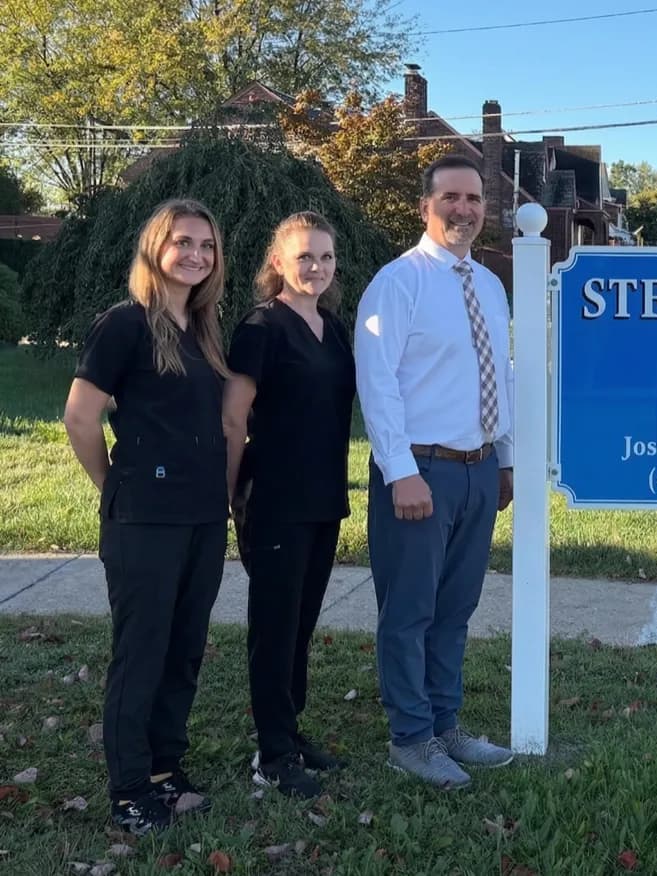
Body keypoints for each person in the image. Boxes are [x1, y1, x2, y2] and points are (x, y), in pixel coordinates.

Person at [62, 199, 230, 835]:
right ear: (155, 249)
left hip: (203, 516)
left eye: (206, 246)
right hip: (144, 520)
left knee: (184, 649)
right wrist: (114, 485)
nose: (195, 255)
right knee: (142, 652)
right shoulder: (124, 324)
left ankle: (165, 770)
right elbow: (80, 417)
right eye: (182, 242)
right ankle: (130, 788)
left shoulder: (203, 328)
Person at [355, 154, 516, 788]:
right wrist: (400, 471)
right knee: (410, 610)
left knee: (456, 608)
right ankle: (411, 737)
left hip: (477, 470)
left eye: (474, 198)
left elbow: (498, 376)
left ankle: (446, 724)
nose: (464, 209)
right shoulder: (398, 283)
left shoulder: (491, 286)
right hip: (420, 470)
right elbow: (378, 383)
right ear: (427, 206)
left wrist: (503, 459)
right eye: (451, 197)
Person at [222, 212, 355, 799]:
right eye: (305, 257)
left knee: (300, 626)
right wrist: (230, 494)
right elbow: (233, 417)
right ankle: (271, 754)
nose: (317, 268)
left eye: (325, 258)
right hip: (274, 499)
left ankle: (290, 732)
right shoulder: (260, 327)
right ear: (278, 261)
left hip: (324, 498)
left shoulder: (334, 326)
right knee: (273, 630)